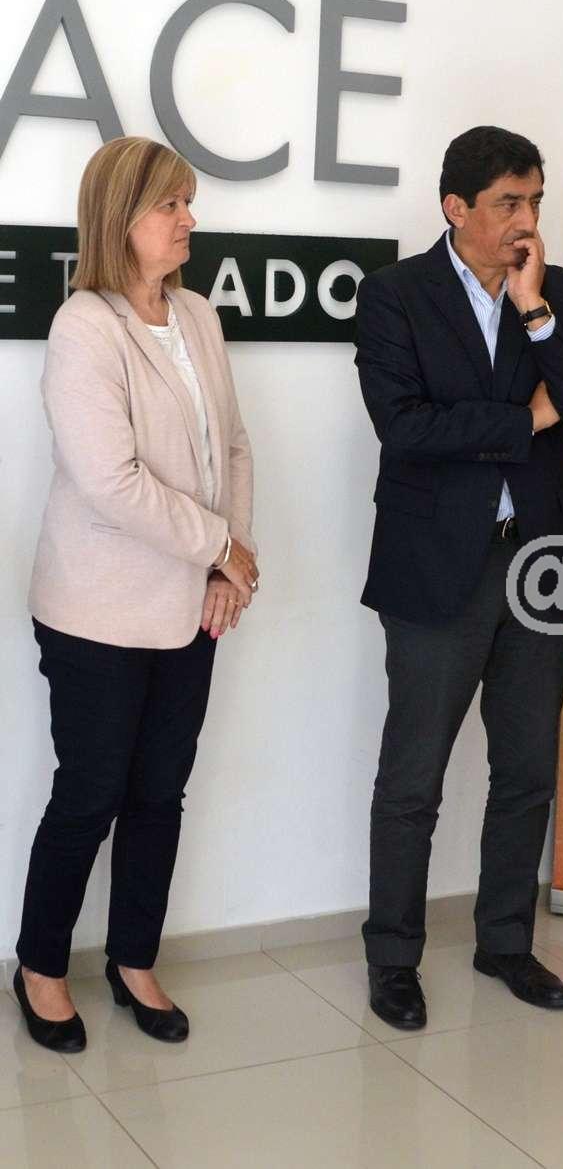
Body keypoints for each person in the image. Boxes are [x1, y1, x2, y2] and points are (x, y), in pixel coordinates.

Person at [354, 126, 563, 1029]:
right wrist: (527, 419)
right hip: (436, 568)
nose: (527, 219)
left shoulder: (562, 294)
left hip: (541, 562)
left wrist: (536, 312)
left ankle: (506, 940)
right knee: (413, 779)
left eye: (536, 200)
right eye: (510, 201)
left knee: (527, 768)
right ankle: (394, 957)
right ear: (456, 207)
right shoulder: (395, 295)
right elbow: (406, 426)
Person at [14, 137, 258, 1052]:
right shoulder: (84, 326)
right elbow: (110, 482)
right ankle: (41, 967)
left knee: (161, 791)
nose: (190, 218)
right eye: (172, 205)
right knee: (90, 793)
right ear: (121, 219)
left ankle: (133, 959)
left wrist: (227, 567)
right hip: (98, 609)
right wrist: (221, 546)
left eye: (189, 201)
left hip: (192, 604)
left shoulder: (198, 315)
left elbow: (233, 445)